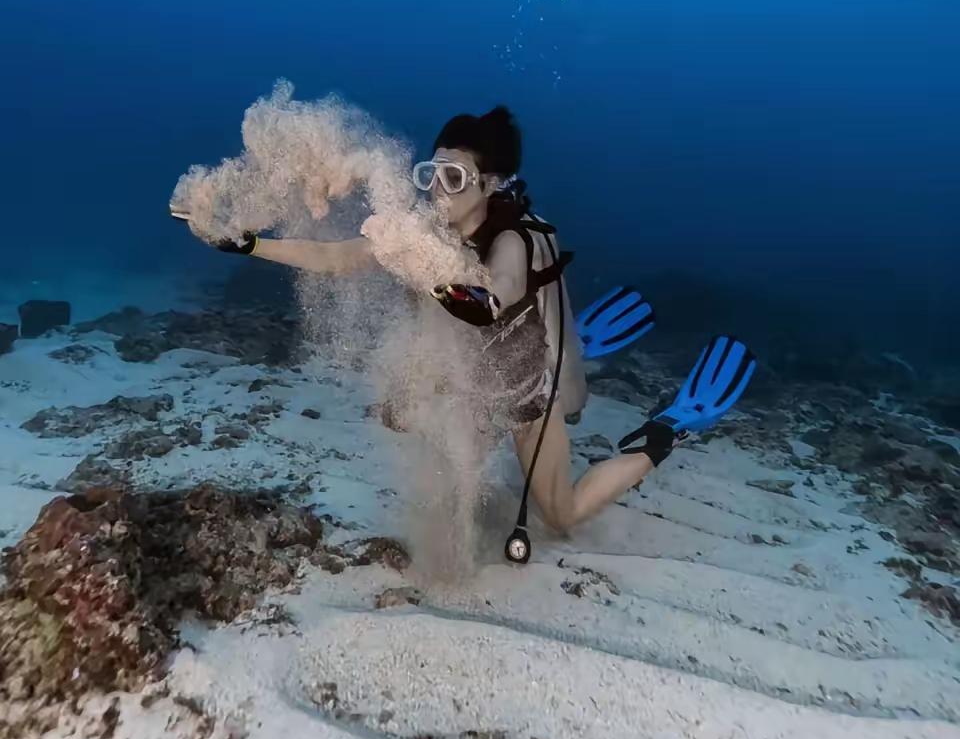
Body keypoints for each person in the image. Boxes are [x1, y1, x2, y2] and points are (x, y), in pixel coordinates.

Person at [178, 105, 754, 556]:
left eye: (455, 178)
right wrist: (250, 244)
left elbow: (490, 300)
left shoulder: (513, 240)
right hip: (472, 380)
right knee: (416, 426)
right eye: (431, 174)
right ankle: (565, 341)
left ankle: (666, 429)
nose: (438, 191)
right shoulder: (427, 228)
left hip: (526, 387)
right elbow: (338, 258)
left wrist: (425, 271)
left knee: (563, 515)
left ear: (491, 184)